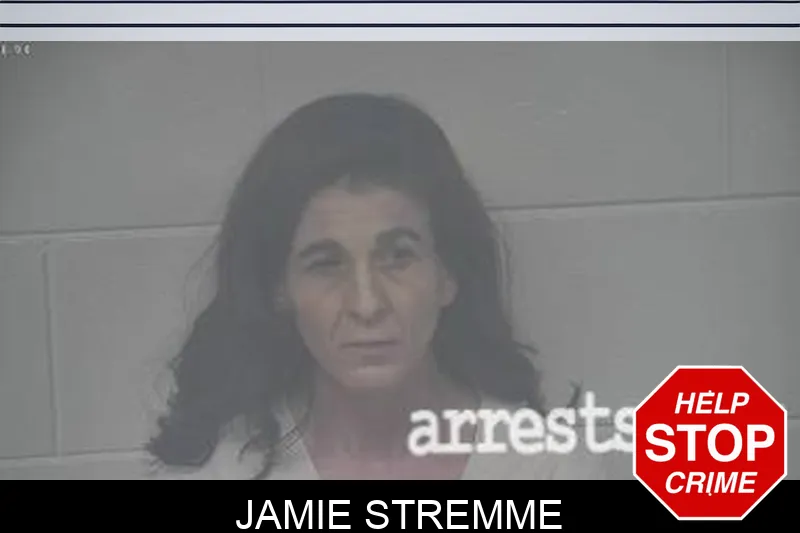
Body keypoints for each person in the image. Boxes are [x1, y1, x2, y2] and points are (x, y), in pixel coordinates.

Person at [145, 93, 607, 480]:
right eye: (326, 264)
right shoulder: (215, 472)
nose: (367, 305)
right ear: (278, 288)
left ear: (448, 274)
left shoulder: (550, 469)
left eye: (398, 257)